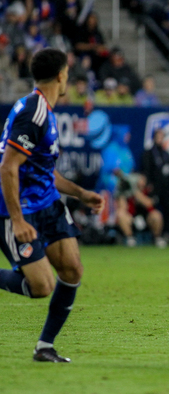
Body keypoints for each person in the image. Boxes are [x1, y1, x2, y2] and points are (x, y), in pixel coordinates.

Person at [0, 48, 104, 362]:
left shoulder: (45, 110)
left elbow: (44, 171)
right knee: (41, 285)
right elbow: (8, 167)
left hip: (48, 206)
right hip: (18, 211)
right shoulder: (34, 112)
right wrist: (17, 220)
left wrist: (80, 194)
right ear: (61, 76)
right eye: (67, 74)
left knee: (72, 269)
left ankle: (45, 346)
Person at [142, 129, 169, 237]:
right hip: (154, 188)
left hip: (165, 189)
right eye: (158, 136)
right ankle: (154, 235)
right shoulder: (149, 153)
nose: (160, 139)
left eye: (162, 136)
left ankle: (166, 234)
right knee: (153, 211)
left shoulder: (166, 154)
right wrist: (149, 184)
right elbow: (146, 170)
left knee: (168, 211)